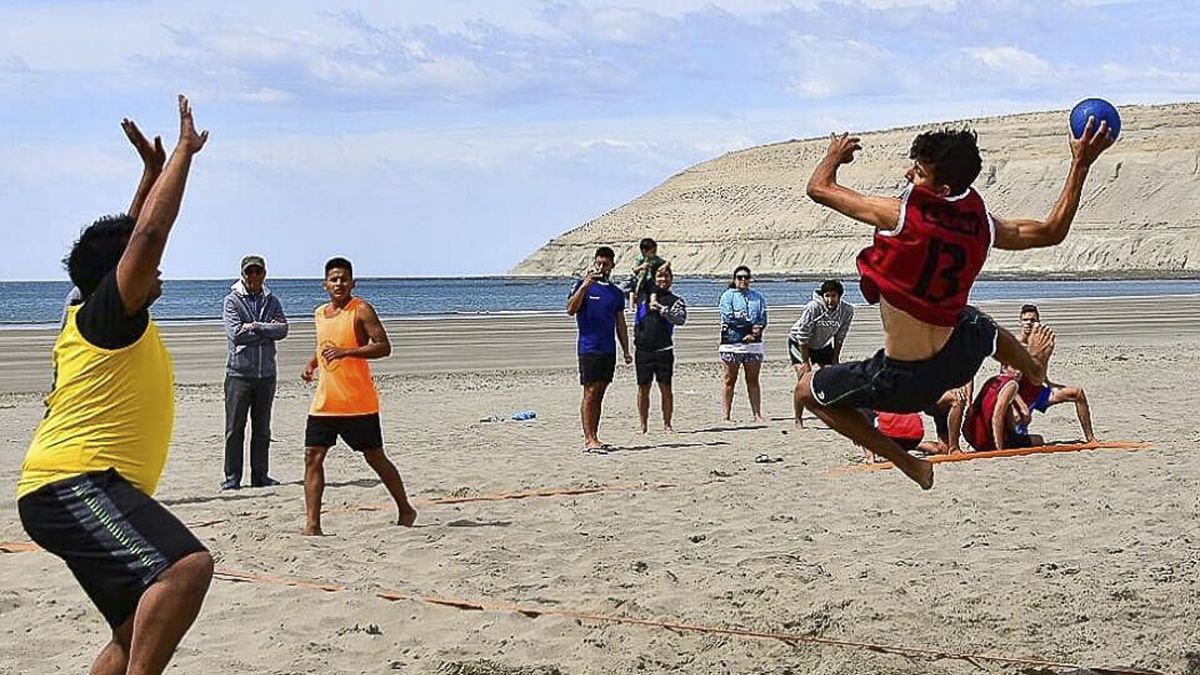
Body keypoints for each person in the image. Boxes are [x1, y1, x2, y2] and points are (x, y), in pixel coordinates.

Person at [797, 117, 1114, 489]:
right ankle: (1032, 367)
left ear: (942, 188)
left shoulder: (899, 215)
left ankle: (910, 465)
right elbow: (1051, 232)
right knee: (976, 323)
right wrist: (1081, 163)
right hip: (959, 356)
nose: (907, 175)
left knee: (806, 391)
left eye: (916, 173)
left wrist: (833, 156)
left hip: (907, 376)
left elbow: (818, 188)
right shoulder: (983, 223)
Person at [17, 96, 213, 675]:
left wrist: (148, 175)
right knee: (186, 570)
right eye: (144, 266)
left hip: (66, 487)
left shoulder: (87, 308)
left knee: (135, 630)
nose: (157, 273)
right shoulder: (107, 317)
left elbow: (130, 240)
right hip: (73, 483)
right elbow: (148, 235)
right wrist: (182, 155)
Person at [301, 257, 417, 535]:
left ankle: (405, 508)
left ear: (353, 283)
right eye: (334, 279)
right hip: (326, 401)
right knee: (312, 456)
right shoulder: (319, 313)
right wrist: (313, 363)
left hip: (357, 402)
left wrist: (347, 352)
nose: (339, 283)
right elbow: (324, 346)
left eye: (344, 279)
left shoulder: (361, 310)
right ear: (325, 284)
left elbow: (383, 347)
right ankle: (312, 525)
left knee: (375, 457)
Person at [221, 254, 288, 490]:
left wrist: (258, 326)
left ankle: (260, 476)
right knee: (234, 429)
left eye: (258, 271)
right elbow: (236, 333)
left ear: (264, 274)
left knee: (262, 429)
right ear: (243, 274)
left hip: (266, 375)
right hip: (239, 375)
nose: (254, 276)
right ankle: (232, 478)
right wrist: (265, 333)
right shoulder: (232, 301)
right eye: (249, 272)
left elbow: (282, 329)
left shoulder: (272, 300)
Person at [566, 246, 632, 452]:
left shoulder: (615, 292)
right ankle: (589, 439)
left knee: (600, 393)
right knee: (590, 392)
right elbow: (570, 309)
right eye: (599, 263)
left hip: (608, 349)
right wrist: (584, 286)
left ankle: (595, 435)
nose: (602, 267)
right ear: (594, 262)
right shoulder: (582, 286)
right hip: (589, 347)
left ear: (612, 265)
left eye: (606, 263)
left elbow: (620, 323)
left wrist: (626, 350)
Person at [1008, 304, 1097, 443]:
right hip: (1018, 395)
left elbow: (1042, 370)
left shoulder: (1044, 343)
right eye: (1025, 320)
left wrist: (1051, 385)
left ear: (1038, 322)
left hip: (1038, 391)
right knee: (1018, 434)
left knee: (1077, 393)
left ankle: (1091, 439)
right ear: (1019, 322)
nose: (1029, 323)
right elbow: (1006, 381)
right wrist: (1014, 405)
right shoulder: (1013, 345)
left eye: (1033, 320)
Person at [788, 279, 854, 428]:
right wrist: (805, 362)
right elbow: (802, 334)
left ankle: (832, 413)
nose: (830, 300)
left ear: (840, 296)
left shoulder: (847, 310)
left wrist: (835, 359)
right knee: (803, 379)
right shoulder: (813, 308)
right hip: (799, 343)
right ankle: (798, 418)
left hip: (822, 344)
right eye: (827, 296)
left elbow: (840, 336)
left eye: (834, 296)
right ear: (823, 296)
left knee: (833, 376)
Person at [633, 264, 688, 433]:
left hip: (664, 350)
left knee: (666, 388)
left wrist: (662, 309)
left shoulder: (676, 300)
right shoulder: (642, 296)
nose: (663, 280)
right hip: (643, 350)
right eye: (659, 276)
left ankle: (667, 424)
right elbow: (623, 287)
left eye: (666, 276)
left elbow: (680, 319)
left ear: (671, 279)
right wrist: (638, 271)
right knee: (643, 388)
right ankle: (643, 424)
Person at [719, 265, 768, 422]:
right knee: (729, 379)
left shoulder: (757, 297)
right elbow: (728, 317)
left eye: (746, 277)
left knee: (753, 379)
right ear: (734, 279)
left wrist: (754, 333)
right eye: (740, 277)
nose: (743, 280)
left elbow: (762, 318)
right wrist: (747, 329)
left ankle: (757, 414)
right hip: (732, 343)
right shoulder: (727, 296)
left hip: (753, 344)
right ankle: (726, 415)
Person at [962, 374, 1044, 452]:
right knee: (1039, 439)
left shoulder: (993, 380)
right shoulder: (1012, 385)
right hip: (988, 439)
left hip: (972, 436)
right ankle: (1000, 442)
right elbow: (997, 417)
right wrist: (999, 447)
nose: (1018, 372)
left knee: (1011, 417)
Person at [627, 237, 668, 310]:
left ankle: (653, 301)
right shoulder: (640, 258)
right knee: (632, 289)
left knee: (653, 288)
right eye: (652, 252)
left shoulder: (655, 259)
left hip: (647, 279)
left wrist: (663, 266)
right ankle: (631, 305)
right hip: (638, 279)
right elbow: (634, 270)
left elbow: (665, 262)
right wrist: (641, 267)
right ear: (644, 251)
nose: (654, 254)